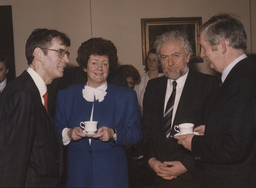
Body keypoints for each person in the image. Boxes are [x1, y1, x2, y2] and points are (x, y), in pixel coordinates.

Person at [176, 13, 256, 188]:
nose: (203, 55)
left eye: (204, 48)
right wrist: (213, 130)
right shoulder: (242, 74)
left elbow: (234, 148)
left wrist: (194, 143)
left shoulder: (242, 82)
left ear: (221, 45)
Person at [54, 37, 142, 188]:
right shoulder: (66, 95)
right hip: (77, 175)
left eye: (105, 63)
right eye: (94, 63)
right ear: (85, 66)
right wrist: (69, 134)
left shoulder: (126, 96)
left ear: (110, 66)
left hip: (113, 175)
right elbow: (54, 131)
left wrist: (114, 133)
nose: (99, 68)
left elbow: (135, 134)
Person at [142, 30, 218, 188]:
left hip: (194, 178)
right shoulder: (153, 87)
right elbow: (146, 130)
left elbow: (215, 135)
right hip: (157, 178)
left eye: (176, 56)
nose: (170, 63)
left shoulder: (208, 85)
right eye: (164, 57)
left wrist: (186, 165)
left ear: (188, 56)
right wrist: (151, 161)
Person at [0, 28, 70, 187]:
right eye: (60, 52)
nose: (66, 59)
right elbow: (12, 162)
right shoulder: (23, 94)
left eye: (67, 53)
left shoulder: (33, 91)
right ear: (38, 54)